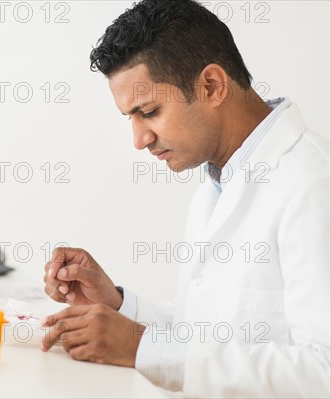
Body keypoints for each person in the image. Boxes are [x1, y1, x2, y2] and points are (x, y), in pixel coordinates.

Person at [41, 0, 330, 397]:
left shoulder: (314, 183)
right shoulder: (216, 183)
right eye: (132, 119)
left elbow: (322, 371)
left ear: (212, 85)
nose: (140, 140)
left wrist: (139, 346)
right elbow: (201, 332)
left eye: (150, 111)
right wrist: (117, 304)